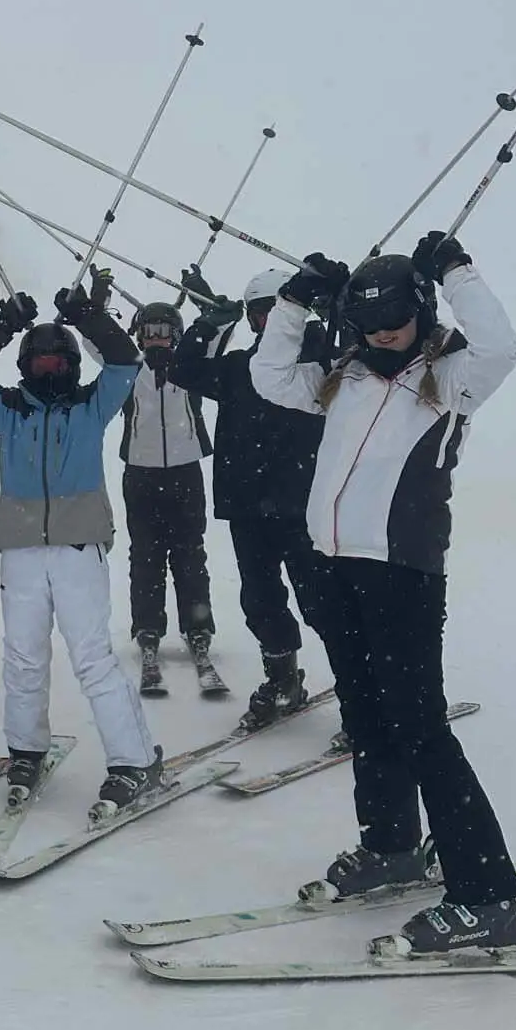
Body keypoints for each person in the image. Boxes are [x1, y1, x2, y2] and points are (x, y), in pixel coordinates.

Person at [250, 230, 516, 955]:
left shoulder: (453, 376)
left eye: (396, 323)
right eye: (369, 325)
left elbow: (503, 346)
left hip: (401, 573)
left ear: (421, 309)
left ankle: (487, 893)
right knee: (367, 715)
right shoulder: (344, 376)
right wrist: (293, 299)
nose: (383, 335)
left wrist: (457, 269)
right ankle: (394, 847)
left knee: (420, 726)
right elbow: (268, 375)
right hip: (335, 568)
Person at [0, 279, 162, 818]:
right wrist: (2, 324)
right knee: (23, 658)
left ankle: (134, 760)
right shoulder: (7, 409)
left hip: (77, 549)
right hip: (20, 551)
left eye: (59, 364)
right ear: (25, 368)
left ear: (72, 367)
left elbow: (125, 362)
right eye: (39, 364)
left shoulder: (92, 405)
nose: (50, 372)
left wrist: (88, 316)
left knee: (93, 659)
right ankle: (26, 748)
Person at [171, 269, 333, 729]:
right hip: (248, 509)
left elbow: (355, 347)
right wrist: (208, 324)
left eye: (277, 311)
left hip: (306, 509)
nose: (269, 321)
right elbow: (182, 369)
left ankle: (362, 693)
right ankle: (283, 680)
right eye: (260, 313)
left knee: (323, 603)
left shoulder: (323, 366)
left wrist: (329, 309)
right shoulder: (239, 369)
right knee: (260, 601)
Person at [118, 300, 223, 693]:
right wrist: (93, 301)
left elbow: (220, 324)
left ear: (177, 335)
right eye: (150, 332)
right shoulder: (127, 368)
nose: (157, 340)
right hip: (140, 474)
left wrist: (205, 303)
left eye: (164, 332)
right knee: (145, 554)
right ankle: (147, 626)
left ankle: (197, 625)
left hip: (185, 472)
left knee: (190, 552)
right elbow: (97, 339)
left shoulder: (191, 364)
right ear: (139, 335)